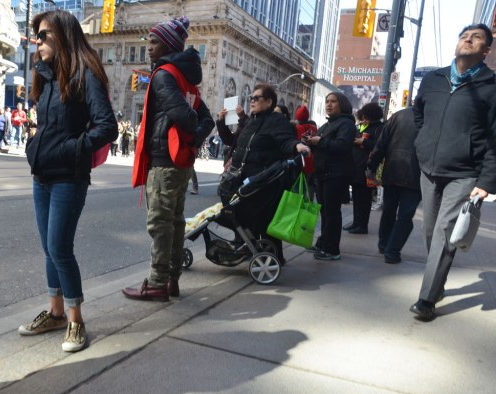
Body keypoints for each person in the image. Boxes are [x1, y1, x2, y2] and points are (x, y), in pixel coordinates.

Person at [21, 9, 118, 351]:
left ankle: (76, 320)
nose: (38, 41)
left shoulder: (85, 74)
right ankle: (55, 312)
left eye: (44, 35)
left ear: (62, 36)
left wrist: (67, 149)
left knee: (60, 248)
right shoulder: (46, 76)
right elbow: (48, 122)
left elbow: (107, 127)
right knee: (49, 248)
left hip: (68, 178)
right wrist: (36, 143)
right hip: (42, 175)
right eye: (37, 35)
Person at [123, 16, 214, 301]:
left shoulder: (165, 76)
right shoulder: (184, 78)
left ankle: (158, 282)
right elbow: (206, 119)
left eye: (154, 42)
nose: (149, 47)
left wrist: (190, 135)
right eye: (149, 42)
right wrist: (193, 140)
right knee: (174, 223)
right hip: (180, 161)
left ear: (169, 45)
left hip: (165, 161)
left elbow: (188, 117)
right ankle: (172, 279)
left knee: (160, 224)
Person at [410, 23, 496, 321]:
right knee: (430, 232)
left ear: (486, 50)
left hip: (465, 173)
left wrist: (486, 182)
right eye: (464, 36)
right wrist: (422, 142)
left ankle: (427, 300)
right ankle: (438, 282)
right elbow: (418, 113)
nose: (468, 40)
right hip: (429, 170)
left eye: (476, 38)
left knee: (446, 232)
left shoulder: (491, 87)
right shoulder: (433, 79)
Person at [223, 84, 310, 264]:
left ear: (269, 102)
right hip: (242, 179)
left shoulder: (276, 120)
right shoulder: (252, 121)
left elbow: (286, 140)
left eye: (256, 98)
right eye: (251, 98)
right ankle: (248, 245)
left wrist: (297, 146)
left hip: (263, 180)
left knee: (263, 219)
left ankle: (273, 257)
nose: (252, 101)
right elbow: (236, 143)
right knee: (237, 214)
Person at [367, 108, 421, 264]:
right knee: (405, 215)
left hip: (393, 170)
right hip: (416, 176)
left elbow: (381, 144)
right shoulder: (434, 115)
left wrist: (371, 166)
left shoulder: (399, 115)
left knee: (389, 209)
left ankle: (384, 244)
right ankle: (392, 251)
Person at [305, 92, 355, 261]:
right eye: (327, 101)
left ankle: (332, 249)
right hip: (323, 173)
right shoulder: (328, 124)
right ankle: (323, 242)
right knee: (325, 212)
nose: (329, 104)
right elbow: (320, 144)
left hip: (336, 174)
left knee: (332, 213)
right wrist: (309, 141)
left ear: (342, 104)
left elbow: (342, 146)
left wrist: (320, 141)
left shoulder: (347, 124)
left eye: (333, 101)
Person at [345, 102, 383, 234]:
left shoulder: (379, 128)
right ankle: (356, 222)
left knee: (365, 199)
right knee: (356, 197)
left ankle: (362, 225)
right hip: (356, 166)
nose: (364, 119)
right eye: (363, 117)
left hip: (368, 168)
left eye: (367, 117)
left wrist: (364, 142)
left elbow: (380, 146)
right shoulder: (361, 127)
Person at [295, 105, 318, 200]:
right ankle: (308, 203)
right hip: (312, 160)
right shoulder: (314, 128)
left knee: (298, 186)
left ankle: (297, 204)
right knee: (310, 185)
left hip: (300, 161)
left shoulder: (297, 128)